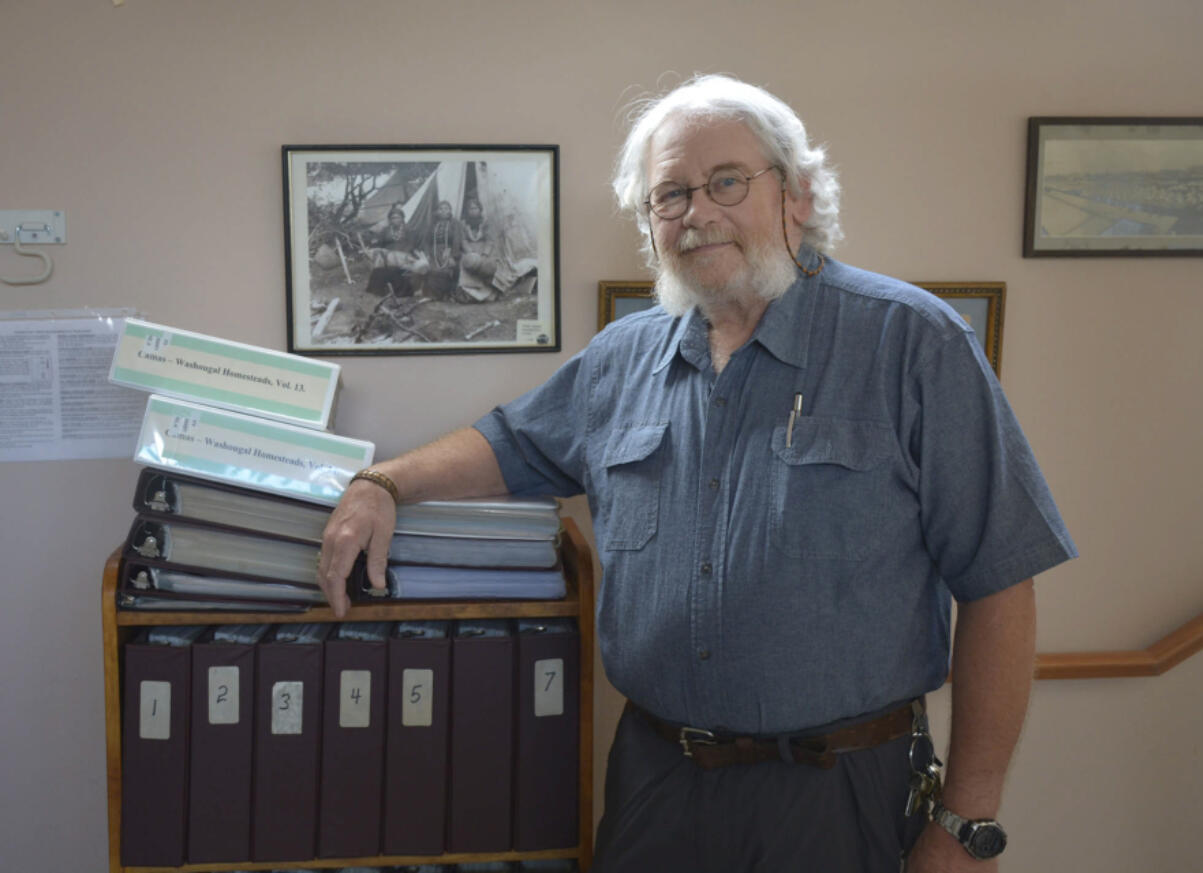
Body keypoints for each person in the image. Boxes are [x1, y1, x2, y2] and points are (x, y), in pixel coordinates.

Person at [318, 74, 1076, 872]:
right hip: (656, 783)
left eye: (725, 182)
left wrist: (967, 821)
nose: (696, 213)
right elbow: (512, 443)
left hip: (841, 793)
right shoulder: (623, 358)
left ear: (800, 196)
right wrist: (385, 484)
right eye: (669, 195)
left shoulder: (913, 344)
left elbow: (1000, 581)